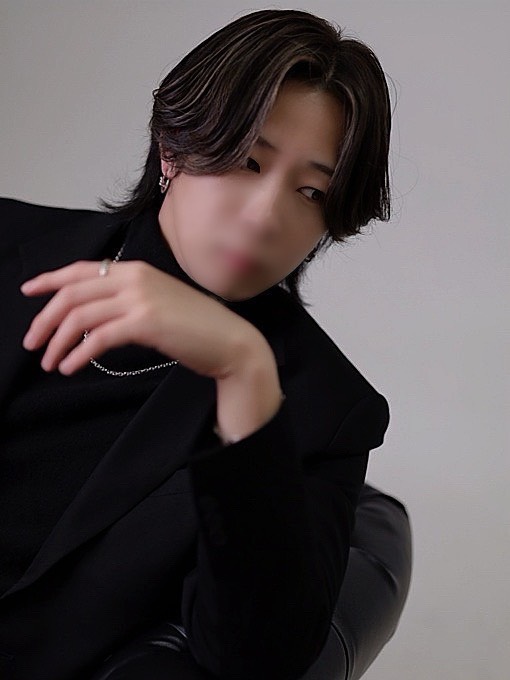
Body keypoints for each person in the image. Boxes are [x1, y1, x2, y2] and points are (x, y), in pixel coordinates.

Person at [0, 9, 411, 680]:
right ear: (173, 148)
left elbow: (259, 659)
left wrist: (243, 373)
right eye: (248, 162)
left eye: (312, 192)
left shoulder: (324, 405)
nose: (265, 215)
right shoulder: (10, 244)